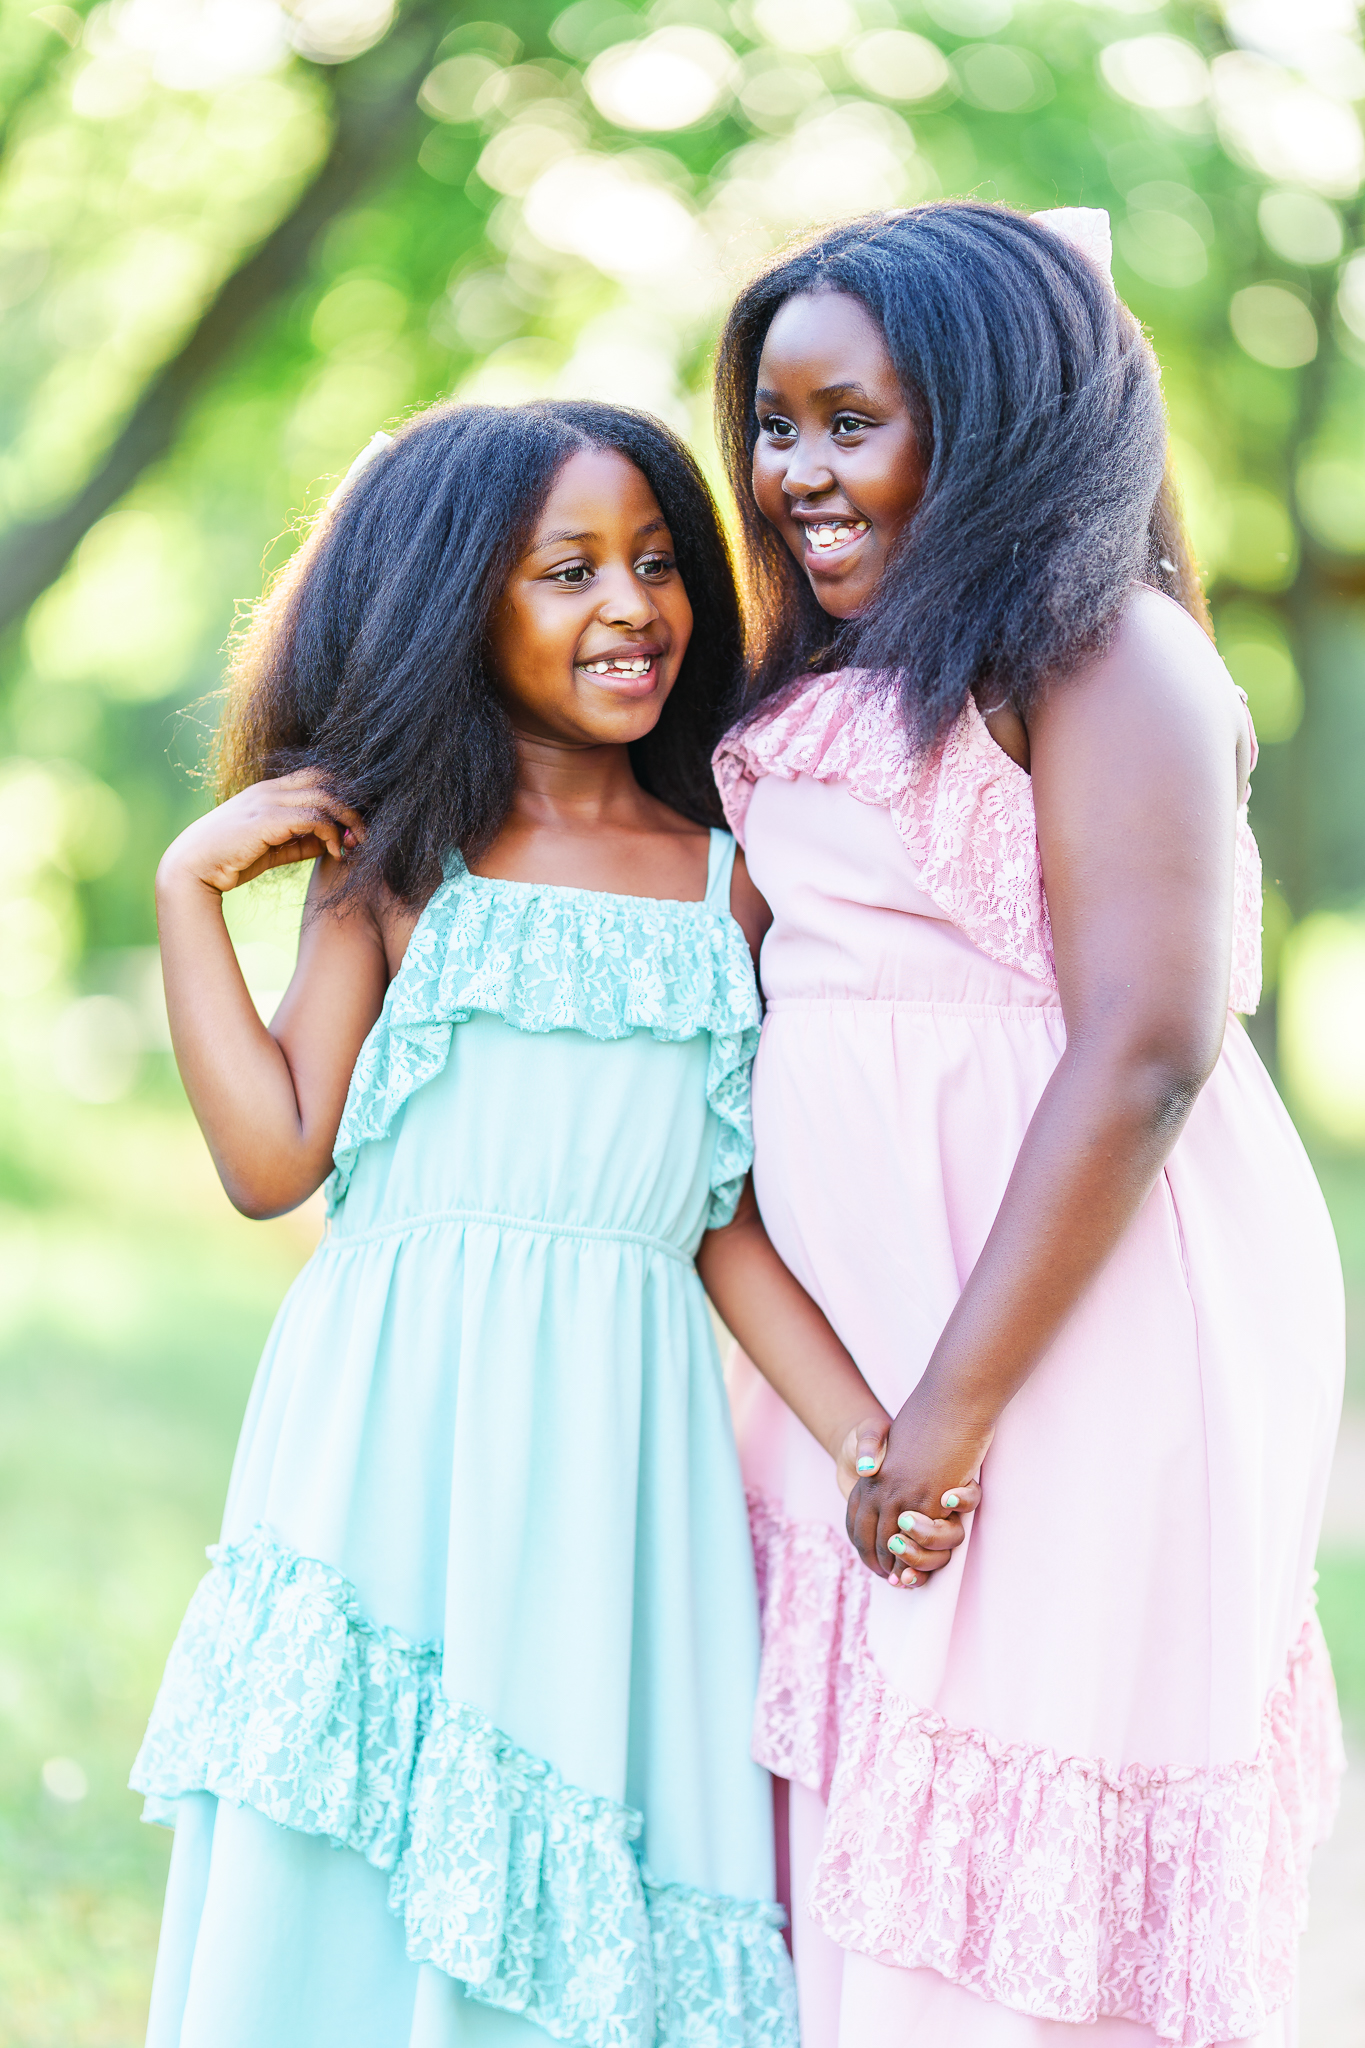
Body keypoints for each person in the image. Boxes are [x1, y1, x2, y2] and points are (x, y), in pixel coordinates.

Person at [130, 397, 977, 2048]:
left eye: (658, 564)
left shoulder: (727, 874)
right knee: (356, 1847)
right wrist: (186, 890)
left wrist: (872, 1442)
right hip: (392, 1428)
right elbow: (269, 1155)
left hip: (624, 1445)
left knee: (593, 1806)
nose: (631, 607)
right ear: (461, 596)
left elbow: (718, 1219)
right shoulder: (395, 860)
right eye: (567, 570)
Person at [711, 203, 1345, 2048]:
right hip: (875, 1355)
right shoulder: (830, 683)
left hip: (1070, 1329)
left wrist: (947, 1417)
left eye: (856, 423)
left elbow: (1145, 1038)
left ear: (991, 425)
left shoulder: (1102, 655)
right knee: (869, 1835)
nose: (799, 474)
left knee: (1018, 1835)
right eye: (776, 422)